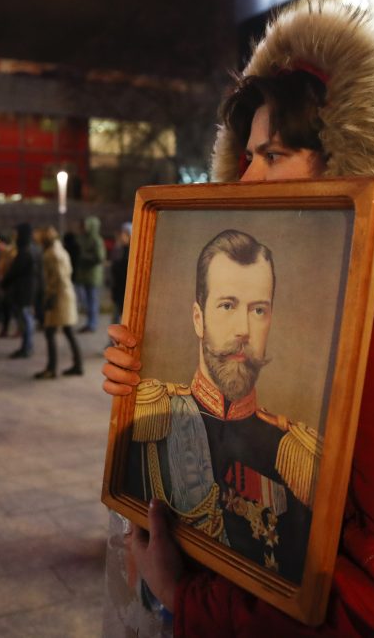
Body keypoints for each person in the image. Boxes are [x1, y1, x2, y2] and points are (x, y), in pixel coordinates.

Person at [102, 0, 374, 636]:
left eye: (274, 155)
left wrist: (189, 598)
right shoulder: (294, 276)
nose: (246, 178)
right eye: (246, 155)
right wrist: (146, 380)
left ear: (353, 161)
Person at [124, 229, 316, 585]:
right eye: (227, 306)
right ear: (199, 318)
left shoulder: (295, 454)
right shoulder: (152, 417)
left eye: (258, 310)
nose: (244, 329)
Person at [34, 226, 83, 379]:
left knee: (50, 332)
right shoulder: (59, 250)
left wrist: (50, 297)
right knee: (68, 331)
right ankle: (77, 365)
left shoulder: (52, 254)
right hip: (64, 295)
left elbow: (58, 279)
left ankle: (52, 368)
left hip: (59, 297)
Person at [3, 223, 41, 358]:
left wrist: (4, 282)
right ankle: (27, 346)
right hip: (28, 289)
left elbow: (15, 270)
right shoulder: (32, 249)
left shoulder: (25, 251)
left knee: (25, 319)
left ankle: (26, 347)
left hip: (24, 290)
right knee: (26, 319)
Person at [74, 215, 106, 333]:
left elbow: (100, 257)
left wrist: (83, 257)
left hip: (93, 275)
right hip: (85, 274)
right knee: (86, 300)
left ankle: (92, 324)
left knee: (92, 300)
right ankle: (89, 323)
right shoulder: (83, 238)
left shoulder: (96, 240)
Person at [110, 222, 132, 326]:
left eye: (124, 234)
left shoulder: (130, 251)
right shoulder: (120, 249)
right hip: (119, 290)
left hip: (124, 291)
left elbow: (123, 270)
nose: (121, 236)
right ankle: (113, 341)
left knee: (124, 319)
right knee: (116, 318)